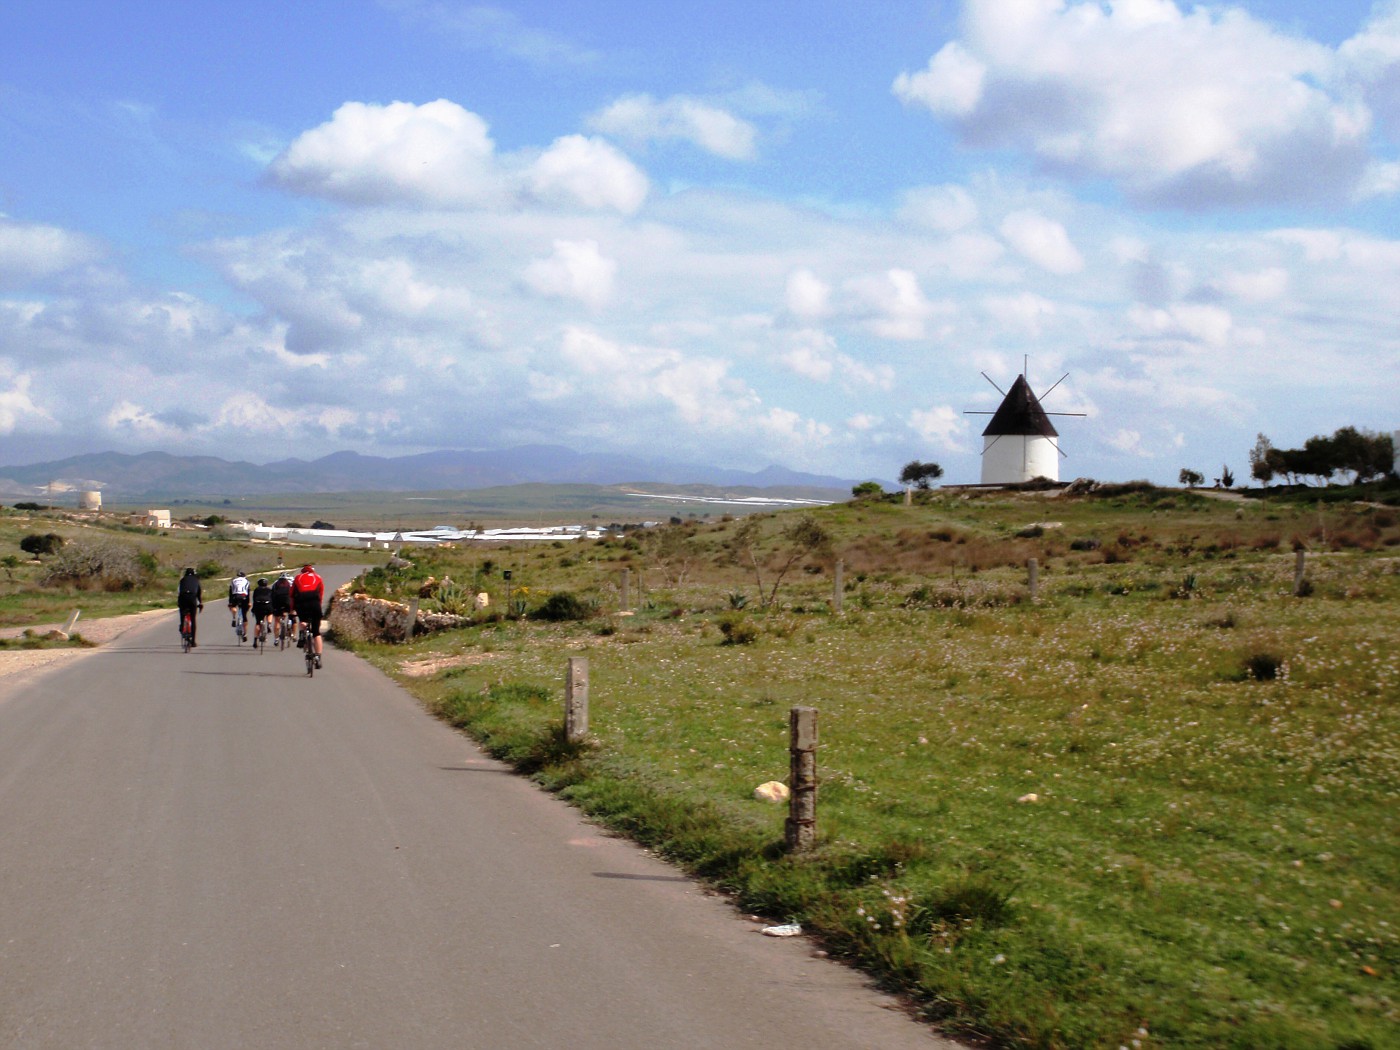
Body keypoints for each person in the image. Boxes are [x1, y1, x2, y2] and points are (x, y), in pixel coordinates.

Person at [291, 563, 325, 668]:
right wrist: (318, 607)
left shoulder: (298, 577)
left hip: (302, 603)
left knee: (303, 620)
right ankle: (318, 656)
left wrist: (292, 609)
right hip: (315, 604)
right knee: (316, 633)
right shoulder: (318, 577)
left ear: (303, 571)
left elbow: (291, 594)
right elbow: (321, 594)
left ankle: (302, 635)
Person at [177, 567, 203, 646]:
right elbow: (198, 594)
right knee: (193, 619)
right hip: (192, 598)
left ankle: (182, 625)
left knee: (182, 613)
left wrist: (179, 602)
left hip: (183, 597)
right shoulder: (196, 580)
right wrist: (200, 604)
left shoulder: (182, 580)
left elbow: (179, 592)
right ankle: (193, 642)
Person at [270, 571, 294, 644]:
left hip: (277, 602)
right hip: (288, 602)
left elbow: (272, 595)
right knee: (290, 613)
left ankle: (276, 639)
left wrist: (272, 605)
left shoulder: (275, 583)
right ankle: (289, 622)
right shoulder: (291, 582)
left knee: (277, 620)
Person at [251, 578, 274, 646]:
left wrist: (253, 609)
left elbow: (254, 600)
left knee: (258, 623)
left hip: (258, 606)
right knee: (270, 613)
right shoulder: (269, 590)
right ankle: (269, 624)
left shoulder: (256, 590)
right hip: (267, 605)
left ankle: (255, 639)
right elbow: (272, 599)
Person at [228, 570, 251, 637]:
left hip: (235, 596)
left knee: (233, 606)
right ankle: (245, 634)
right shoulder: (247, 581)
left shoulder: (233, 581)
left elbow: (230, 592)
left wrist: (230, 602)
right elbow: (248, 592)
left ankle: (234, 618)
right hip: (244, 597)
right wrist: (249, 602)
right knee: (244, 615)